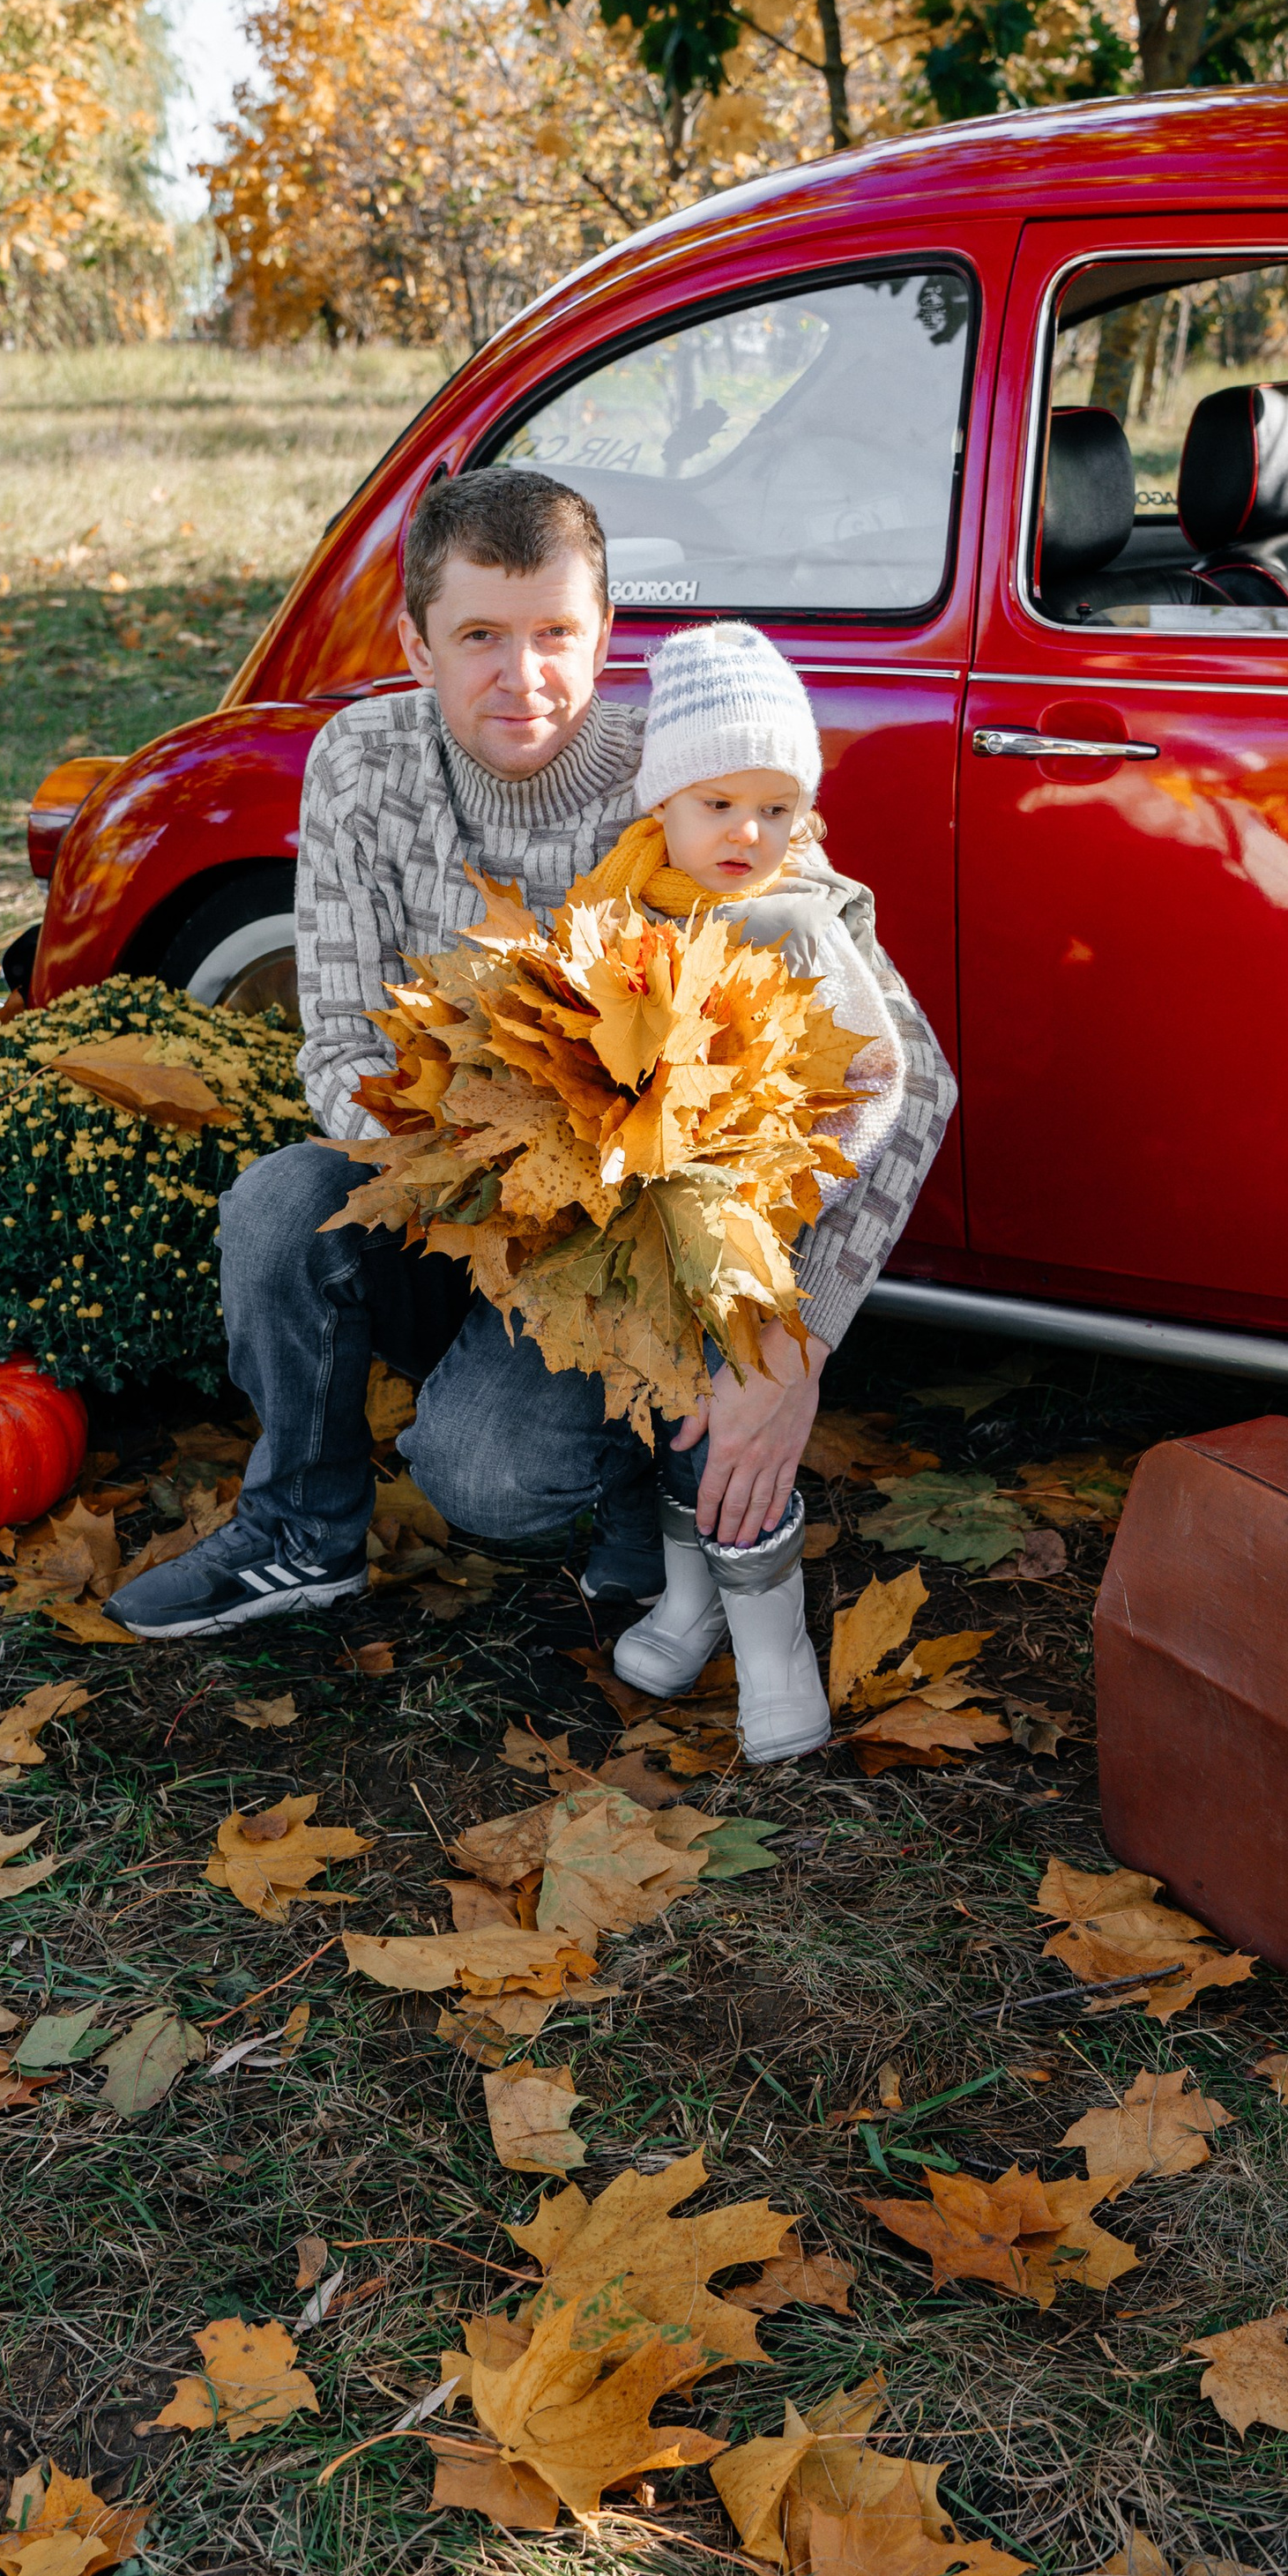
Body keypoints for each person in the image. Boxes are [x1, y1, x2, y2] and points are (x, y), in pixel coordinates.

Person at [105, 470, 956, 1709]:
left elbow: (907, 1078)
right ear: (415, 643)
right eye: (480, 638)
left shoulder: (695, 782)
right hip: (455, 1176)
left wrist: (794, 1339)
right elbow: (339, 1053)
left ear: (606, 634)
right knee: (281, 1208)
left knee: (490, 1481)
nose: (524, 677)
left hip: (627, 1247)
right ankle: (301, 1530)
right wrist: (484, 1175)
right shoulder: (359, 767)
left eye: (557, 633)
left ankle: (628, 1483)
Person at [577, 617, 926, 1760]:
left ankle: (775, 1653)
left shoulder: (792, 919)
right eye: (720, 804)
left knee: (731, 1437)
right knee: (675, 1424)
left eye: (777, 809)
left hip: (756, 1237)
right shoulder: (634, 901)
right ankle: (690, 1604)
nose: (750, 832)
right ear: (663, 805)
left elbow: (882, 1075)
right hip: (655, 1234)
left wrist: (787, 1187)